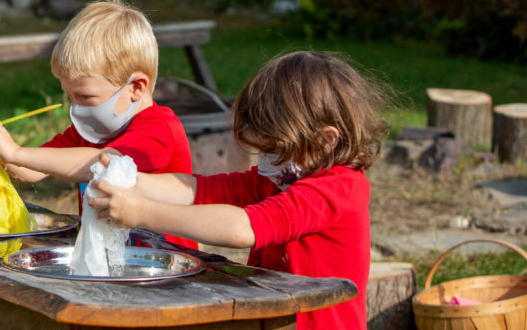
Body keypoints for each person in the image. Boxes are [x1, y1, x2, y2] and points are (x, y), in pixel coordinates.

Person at [89, 51, 391, 329]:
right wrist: (133, 181)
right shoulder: (280, 177)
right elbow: (200, 189)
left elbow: (243, 228)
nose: (265, 161)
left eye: (272, 149)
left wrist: (142, 212)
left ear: (326, 141)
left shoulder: (335, 190)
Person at [0, 0, 196, 249]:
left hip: (161, 268)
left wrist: (16, 152)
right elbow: (30, 172)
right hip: (105, 260)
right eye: (70, 95)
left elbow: (106, 163)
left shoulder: (159, 129)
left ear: (135, 87)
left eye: (85, 97)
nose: (75, 106)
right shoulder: (91, 128)